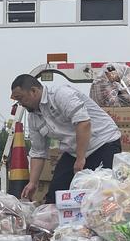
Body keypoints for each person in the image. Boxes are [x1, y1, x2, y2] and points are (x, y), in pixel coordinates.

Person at [10, 74, 123, 203]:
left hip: (103, 143)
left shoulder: (60, 95)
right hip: (75, 151)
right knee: (56, 192)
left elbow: (83, 123)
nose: (20, 104)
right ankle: (52, 219)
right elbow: (38, 152)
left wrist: (80, 159)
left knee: (101, 194)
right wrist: (33, 182)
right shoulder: (33, 117)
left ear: (34, 91)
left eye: (21, 98)